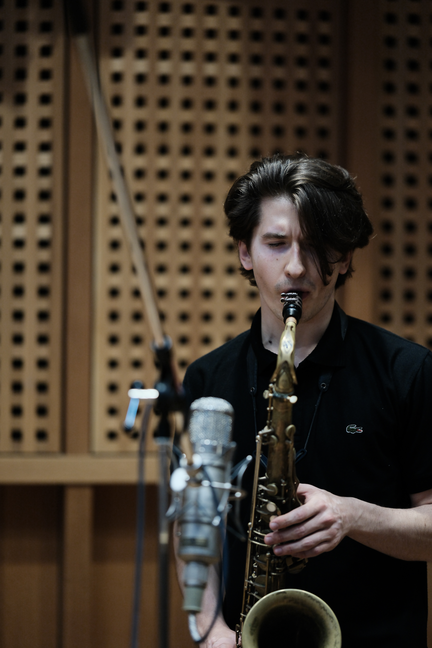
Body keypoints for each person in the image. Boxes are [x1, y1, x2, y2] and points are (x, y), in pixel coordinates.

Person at [178, 154, 432, 648]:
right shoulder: (208, 377)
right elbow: (194, 525)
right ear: (245, 253)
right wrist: (210, 631)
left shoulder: (408, 371)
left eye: (316, 246)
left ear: (346, 257)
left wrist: (354, 516)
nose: (295, 267)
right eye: (276, 244)